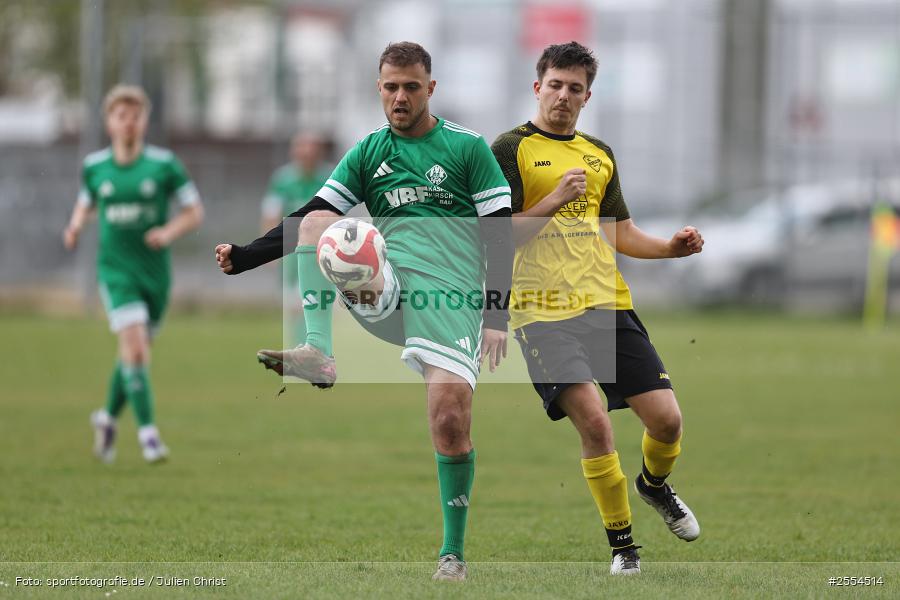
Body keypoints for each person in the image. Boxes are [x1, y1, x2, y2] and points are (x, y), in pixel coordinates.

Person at [214, 42, 513, 581]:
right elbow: (310, 214)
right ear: (379, 88)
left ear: (431, 88)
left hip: (452, 299)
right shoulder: (370, 151)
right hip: (390, 289)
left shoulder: (467, 148)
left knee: (449, 419)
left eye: (411, 87)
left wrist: (497, 315)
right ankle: (318, 352)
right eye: (391, 87)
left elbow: (498, 234)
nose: (400, 97)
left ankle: (453, 555)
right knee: (321, 226)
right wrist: (247, 256)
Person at [490, 42, 703, 575]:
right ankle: (624, 549)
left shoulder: (599, 153)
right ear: (538, 87)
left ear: (588, 96)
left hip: (607, 305)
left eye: (575, 88)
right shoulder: (508, 150)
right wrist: (553, 200)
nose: (564, 96)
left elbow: (621, 233)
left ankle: (654, 487)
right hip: (542, 314)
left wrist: (670, 249)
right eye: (555, 85)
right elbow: (496, 238)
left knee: (668, 422)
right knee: (596, 426)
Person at [63, 85, 204, 464]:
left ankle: (107, 418)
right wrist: (75, 226)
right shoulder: (95, 167)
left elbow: (194, 212)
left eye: (135, 116)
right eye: (121, 116)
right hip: (115, 272)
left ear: (144, 122)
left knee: (133, 356)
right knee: (137, 349)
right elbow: (85, 202)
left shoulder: (164, 165)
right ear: (109, 122)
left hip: (155, 275)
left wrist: (167, 232)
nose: (128, 123)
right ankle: (149, 436)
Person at [260, 133, 331, 346]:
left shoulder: (329, 178)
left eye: (311, 151)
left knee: (319, 304)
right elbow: (270, 215)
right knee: (295, 306)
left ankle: (314, 350)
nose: (307, 155)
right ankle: (303, 348)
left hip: (322, 253)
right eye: (302, 150)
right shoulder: (283, 181)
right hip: (292, 255)